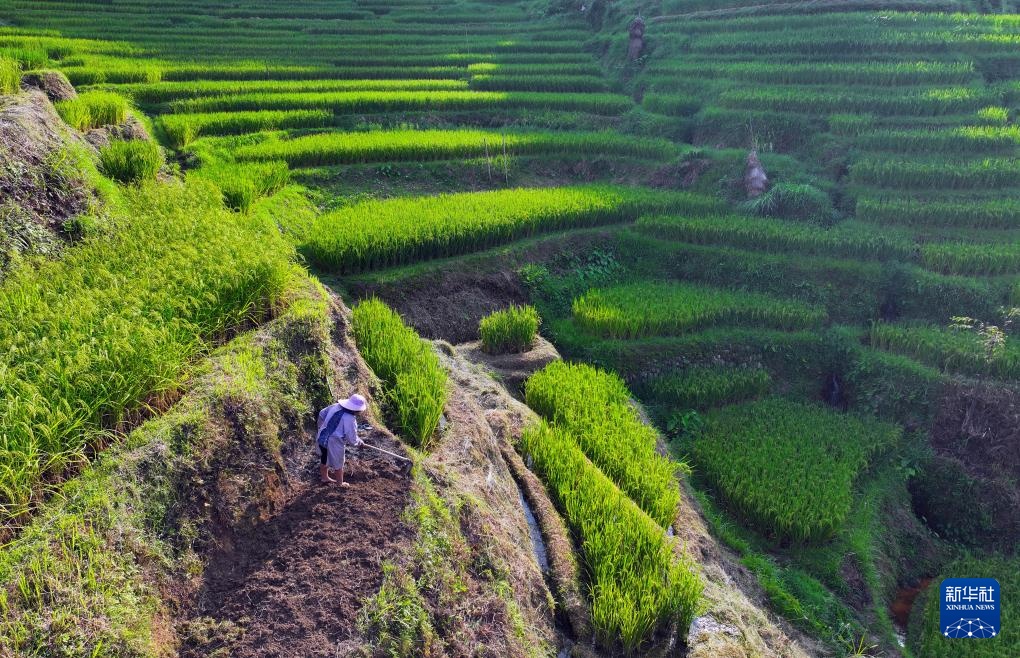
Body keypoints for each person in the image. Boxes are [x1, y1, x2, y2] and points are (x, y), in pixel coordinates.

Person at [316, 394, 367, 487]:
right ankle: (340, 483)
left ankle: (324, 477)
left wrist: (321, 427)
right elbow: (352, 439)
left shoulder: (336, 406)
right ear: (357, 410)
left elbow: (322, 413)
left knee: (324, 458)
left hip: (322, 436)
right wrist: (359, 443)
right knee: (339, 463)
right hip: (334, 442)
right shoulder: (350, 419)